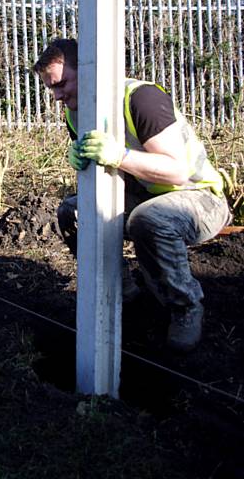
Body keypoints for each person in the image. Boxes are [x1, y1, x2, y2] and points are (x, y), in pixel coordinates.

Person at [33, 38, 230, 352]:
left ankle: (185, 305)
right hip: (144, 196)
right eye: (51, 89)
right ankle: (124, 292)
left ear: (87, 71)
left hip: (198, 197)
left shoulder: (141, 98)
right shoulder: (77, 112)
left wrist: (118, 155)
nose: (57, 96)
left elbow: (177, 171)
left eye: (62, 84)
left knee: (149, 220)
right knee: (72, 212)